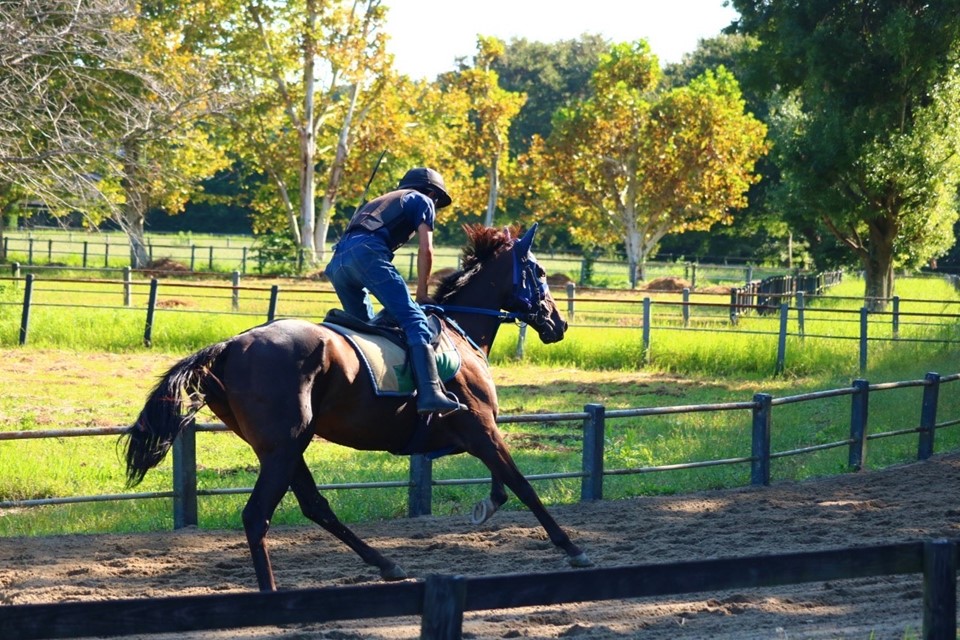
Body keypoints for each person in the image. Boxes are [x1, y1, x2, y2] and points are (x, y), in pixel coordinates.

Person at [324, 167, 466, 415]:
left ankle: (365, 394)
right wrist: (422, 294)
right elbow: (426, 249)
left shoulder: (381, 201)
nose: (435, 205)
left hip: (337, 263)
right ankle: (431, 393)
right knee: (414, 320)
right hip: (366, 255)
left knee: (367, 328)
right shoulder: (423, 200)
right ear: (432, 192)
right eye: (436, 199)